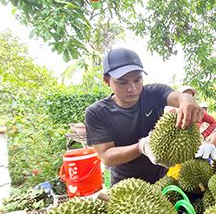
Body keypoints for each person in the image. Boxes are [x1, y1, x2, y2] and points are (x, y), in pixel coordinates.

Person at [85, 47, 203, 185]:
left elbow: (177, 97)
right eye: (122, 82)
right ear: (106, 81)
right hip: (127, 185)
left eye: (137, 80)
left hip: (164, 179)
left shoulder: (154, 93)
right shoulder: (97, 112)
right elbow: (107, 156)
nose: (132, 88)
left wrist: (186, 99)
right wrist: (141, 147)